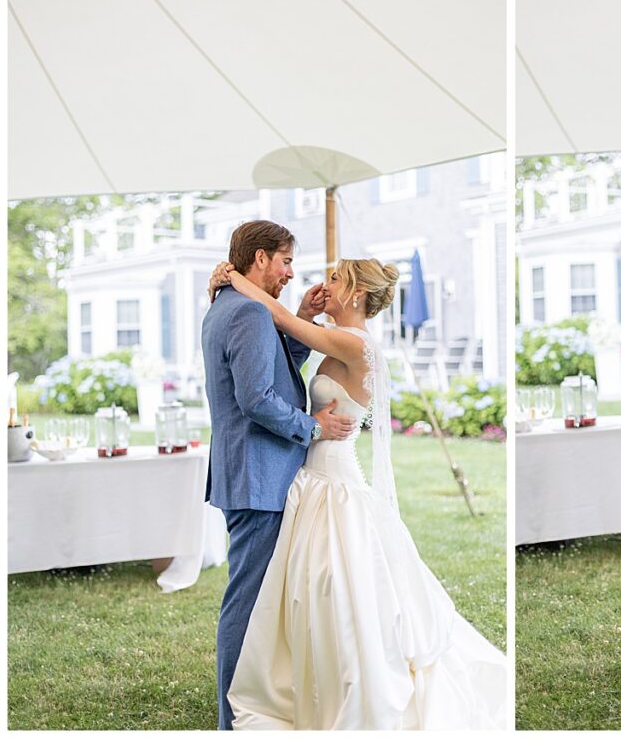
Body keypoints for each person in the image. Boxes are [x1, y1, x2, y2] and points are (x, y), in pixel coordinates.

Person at [207, 256, 506, 730]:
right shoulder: (339, 343)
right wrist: (304, 315)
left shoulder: (355, 343)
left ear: (357, 294)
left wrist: (235, 278)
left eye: (333, 280)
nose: (322, 286)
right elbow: (292, 345)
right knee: (309, 592)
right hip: (312, 479)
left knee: (338, 590)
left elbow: (279, 319)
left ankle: (346, 689)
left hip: (334, 483)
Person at [201, 220, 356, 730]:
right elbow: (255, 399)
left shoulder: (228, 307)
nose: (291, 273)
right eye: (286, 261)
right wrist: (311, 426)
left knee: (257, 598)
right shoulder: (246, 310)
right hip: (257, 477)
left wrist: (303, 317)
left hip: (251, 474)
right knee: (245, 601)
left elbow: (274, 366)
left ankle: (256, 703)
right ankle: (233, 718)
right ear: (261, 259)